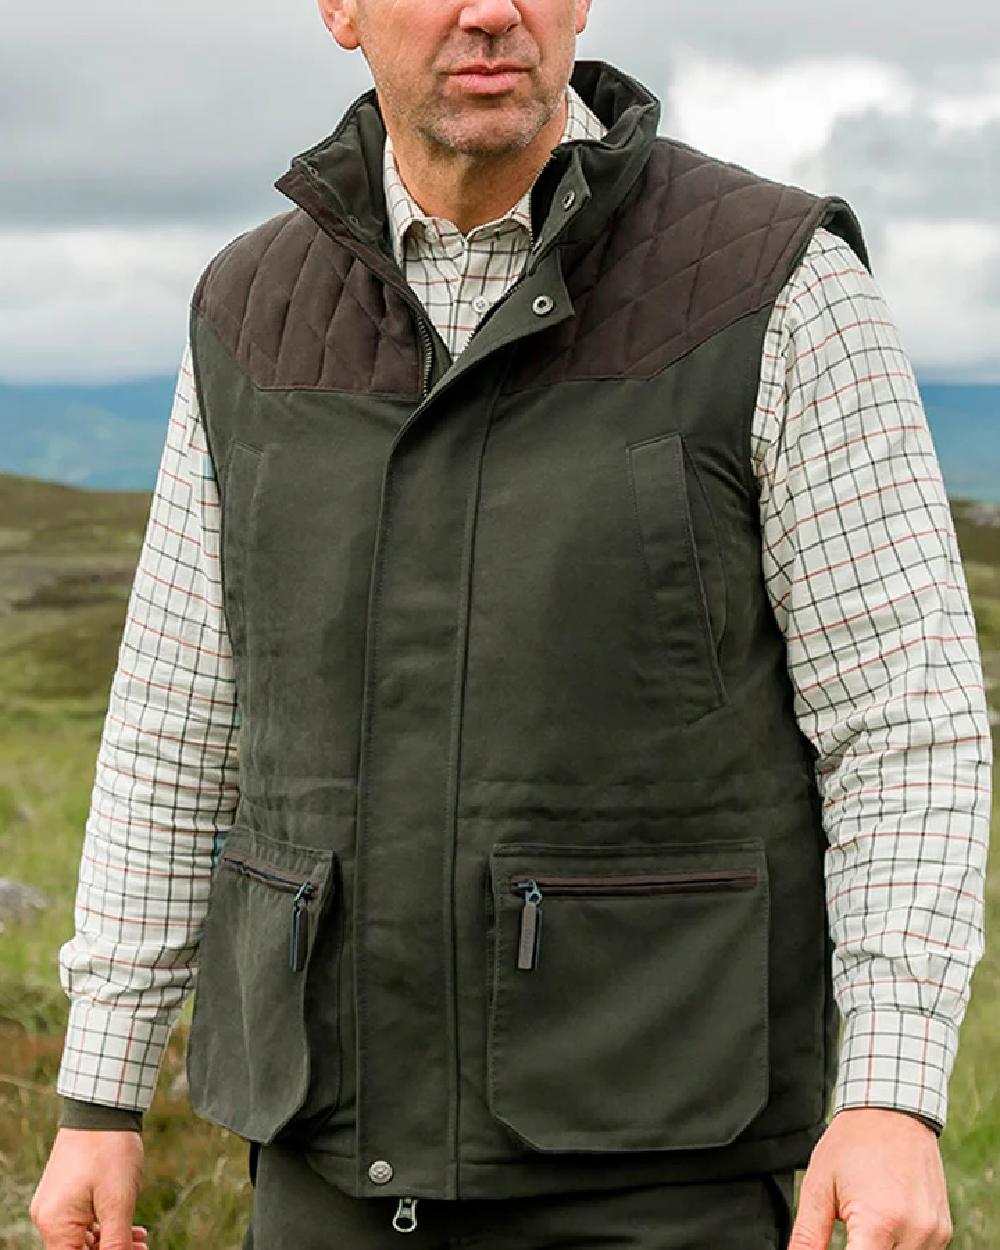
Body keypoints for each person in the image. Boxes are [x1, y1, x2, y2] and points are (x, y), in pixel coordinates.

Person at [29, 2, 992, 1248]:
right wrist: (102, 1089)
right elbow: (176, 721)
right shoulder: (245, 313)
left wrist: (892, 1095)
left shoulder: (777, 284)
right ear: (338, 8)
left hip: (665, 1181)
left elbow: (903, 721)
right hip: (324, 1175)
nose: (489, 10)